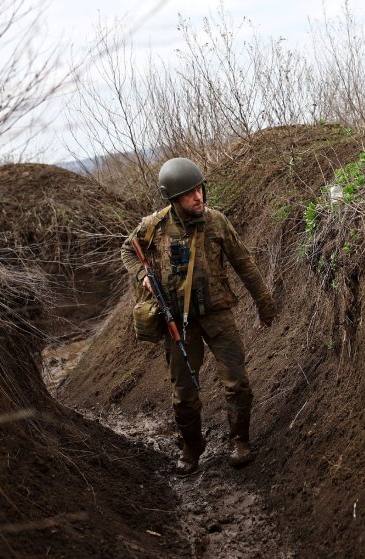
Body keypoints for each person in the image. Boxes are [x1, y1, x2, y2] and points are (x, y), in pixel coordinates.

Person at [121, 157, 277, 474]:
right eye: (189, 193)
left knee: (238, 383)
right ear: (173, 198)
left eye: (199, 190)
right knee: (183, 396)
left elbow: (244, 263)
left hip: (218, 314)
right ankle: (192, 448)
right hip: (178, 321)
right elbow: (128, 249)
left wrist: (265, 303)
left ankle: (240, 442)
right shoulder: (154, 225)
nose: (198, 197)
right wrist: (144, 275)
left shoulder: (217, 222)